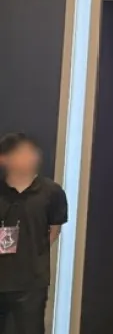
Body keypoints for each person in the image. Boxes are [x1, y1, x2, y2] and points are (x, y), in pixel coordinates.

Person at [0, 133, 68, 334]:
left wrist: (34, 253)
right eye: (21, 153)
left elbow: (54, 229)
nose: (30, 157)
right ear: (4, 158)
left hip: (32, 281)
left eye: (31, 152)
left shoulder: (52, 192)